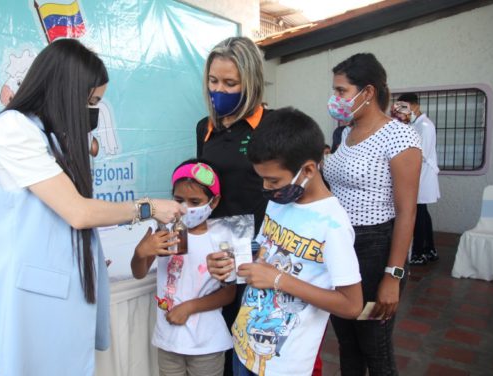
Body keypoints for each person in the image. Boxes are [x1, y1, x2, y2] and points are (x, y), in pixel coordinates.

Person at [0, 39, 183, 376]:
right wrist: (148, 208)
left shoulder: (47, 135)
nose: (94, 112)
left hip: (57, 290)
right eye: (92, 102)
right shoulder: (13, 130)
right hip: (30, 297)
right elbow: (78, 211)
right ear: (66, 91)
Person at [206, 107, 363, 375]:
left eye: (273, 180)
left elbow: (351, 304)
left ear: (309, 169)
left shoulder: (333, 223)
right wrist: (233, 264)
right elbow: (264, 257)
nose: (266, 188)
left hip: (286, 361)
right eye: (262, 179)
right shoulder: (280, 201)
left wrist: (278, 280)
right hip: (244, 346)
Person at [323, 53, 421, 375]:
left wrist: (392, 276)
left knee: (374, 346)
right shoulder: (345, 135)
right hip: (340, 248)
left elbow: (407, 213)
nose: (335, 99)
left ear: (367, 92)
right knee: (347, 344)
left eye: (341, 91)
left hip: (374, 249)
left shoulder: (400, 136)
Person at [194, 36, 273, 376]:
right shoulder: (205, 127)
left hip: (258, 247)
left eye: (230, 83)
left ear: (250, 82)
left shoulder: (272, 125)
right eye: (213, 81)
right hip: (215, 245)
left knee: (252, 344)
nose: (219, 89)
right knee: (218, 333)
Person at [131, 159, 236, 376]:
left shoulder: (223, 236)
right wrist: (141, 252)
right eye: (179, 200)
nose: (186, 208)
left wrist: (189, 307)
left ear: (214, 202)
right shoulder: (164, 229)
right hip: (168, 340)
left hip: (206, 343)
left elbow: (229, 294)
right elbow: (139, 273)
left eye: (195, 201)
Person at [397, 93, 441, 265]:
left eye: (404, 106)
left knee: (419, 212)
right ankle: (429, 250)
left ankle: (419, 253)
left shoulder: (425, 125)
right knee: (422, 212)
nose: (401, 111)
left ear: (414, 106)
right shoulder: (415, 124)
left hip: (422, 174)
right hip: (417, 173)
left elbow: (421, 153)